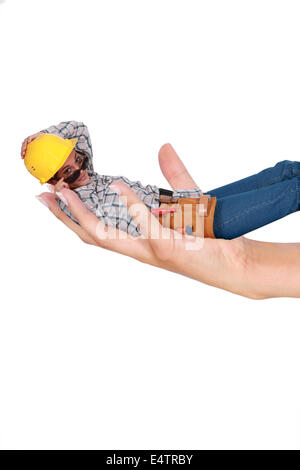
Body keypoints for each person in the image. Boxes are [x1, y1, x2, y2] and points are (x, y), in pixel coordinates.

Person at [22, 120, 300, 240]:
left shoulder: (85, 174)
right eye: (69, 172)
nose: (80, 169)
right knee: (294, 191)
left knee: (285, 171)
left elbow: (78, 128)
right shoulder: (81, 203)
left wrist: (41, 136)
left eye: (78, 158)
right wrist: (64, 197)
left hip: (186, 203)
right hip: (188, 225)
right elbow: (141, 228)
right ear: (55, 182)